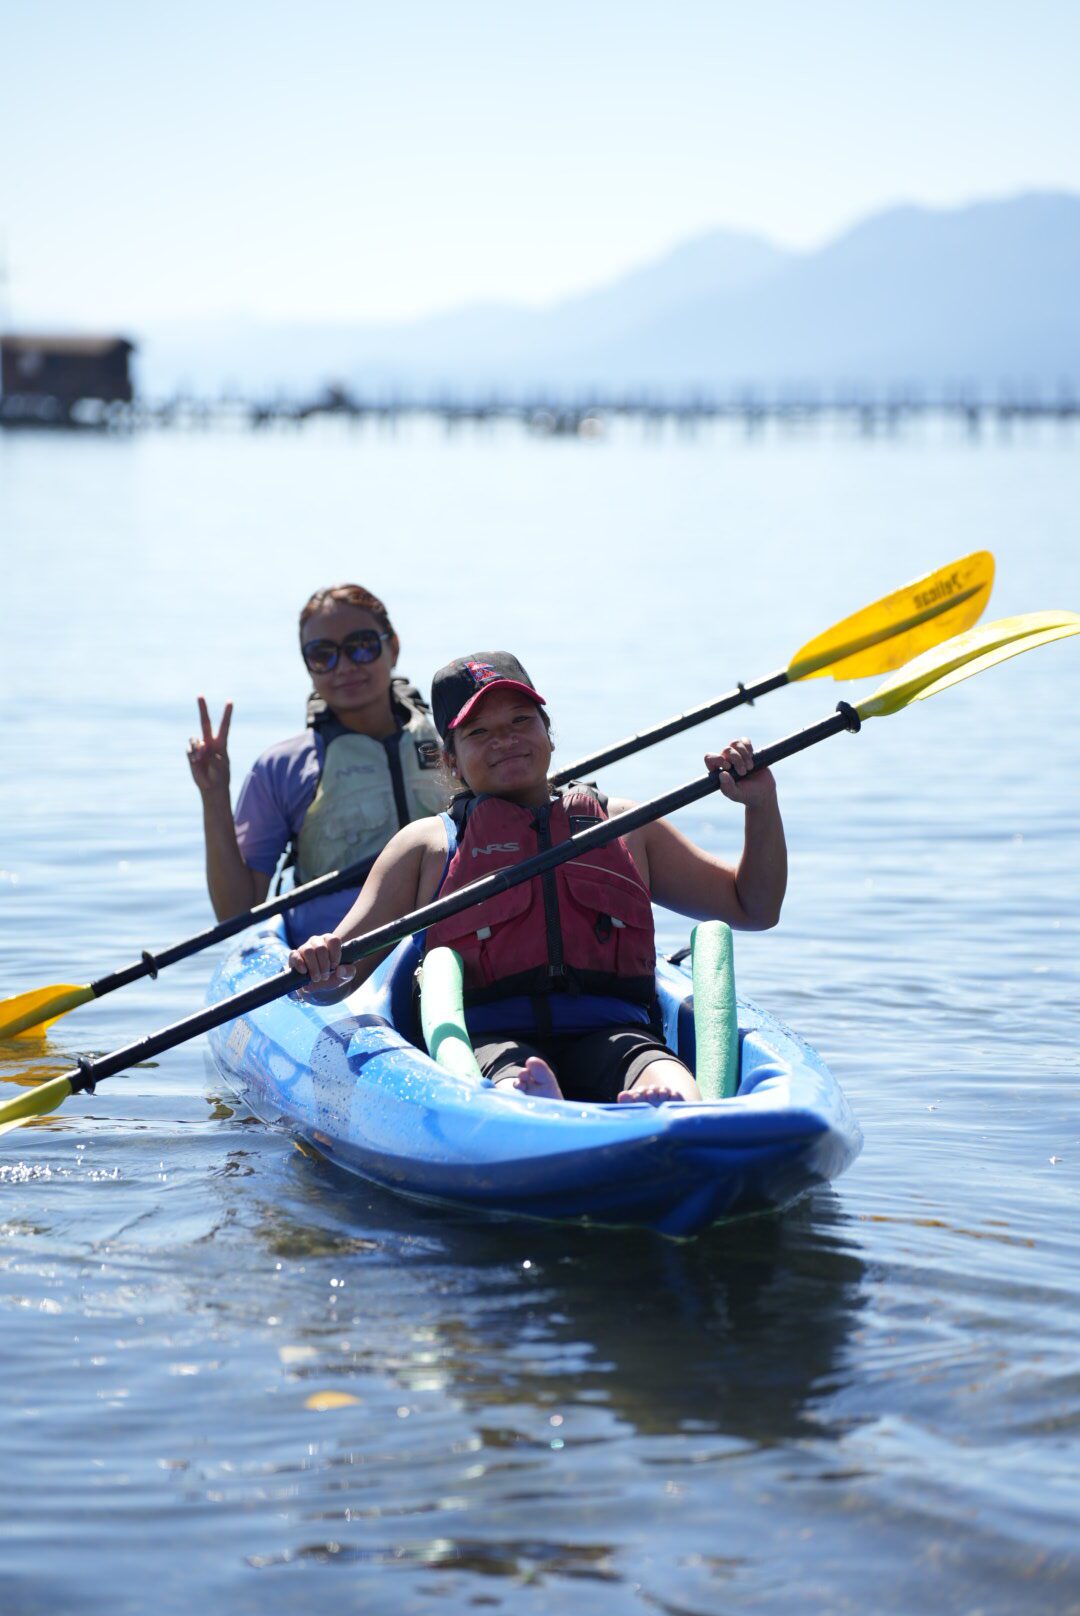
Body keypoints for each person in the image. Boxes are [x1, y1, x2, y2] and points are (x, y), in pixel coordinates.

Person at [289, 652, 787, 1104]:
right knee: (512, 1077)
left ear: (548, 732)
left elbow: (753, 907)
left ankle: (672, 1109)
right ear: (451, 760)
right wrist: (321, 960)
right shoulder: (425, 846)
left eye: (521, 721)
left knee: (662, 1072)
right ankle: (533, 1097)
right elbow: (339, 975)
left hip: (616, 1032)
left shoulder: (627, 826)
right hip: (488, 1041)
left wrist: (760, 805)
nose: (504, 740)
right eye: (478, 732)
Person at [187, 583, 447, 945]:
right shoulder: (282, 769)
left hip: (447, 940)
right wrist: (214, 796)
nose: (343, 667)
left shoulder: (453, 745)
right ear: (308, 665)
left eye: (361, 646)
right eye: (323, 654)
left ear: (394, 647)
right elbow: (237, 911)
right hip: (337, 963)